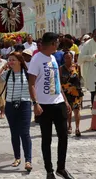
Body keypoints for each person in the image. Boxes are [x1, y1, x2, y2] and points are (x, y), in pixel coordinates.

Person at [28, 33, 74, 179]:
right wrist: (35, 103)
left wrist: (65, 101)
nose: (58, 45)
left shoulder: (53, 58)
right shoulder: (36, 59)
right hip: (44, 105)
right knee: (46, 138)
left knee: (63, 136)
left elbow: (57, 82)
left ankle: (61, 167)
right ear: (53, 43)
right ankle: (49, 170)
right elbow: (31, 83)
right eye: (57, 43)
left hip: (58, 102)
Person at [0, 52, 32, 172]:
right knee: (14, 133)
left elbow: (34, 87)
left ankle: (28, 160)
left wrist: (36, 103)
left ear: (20, 61)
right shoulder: (8, 73)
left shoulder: (27, 73)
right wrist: (3, 68)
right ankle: (17, 157)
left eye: (13, 60)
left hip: (24, 104)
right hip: (10, 105)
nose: (11, 62)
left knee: (24, 133)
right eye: (9, 60)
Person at [60, 51, 83, 137]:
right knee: (68, 111)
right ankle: (69, 126)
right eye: (66, 58)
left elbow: (79, 79)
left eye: (69, 57)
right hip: (66, 93)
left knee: (77, 110)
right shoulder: (61, 69)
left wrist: (79, 91)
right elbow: (59, 81)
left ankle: (77, 128)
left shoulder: (77, 67)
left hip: (76, 92)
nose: (68, 59)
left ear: (72, 58)